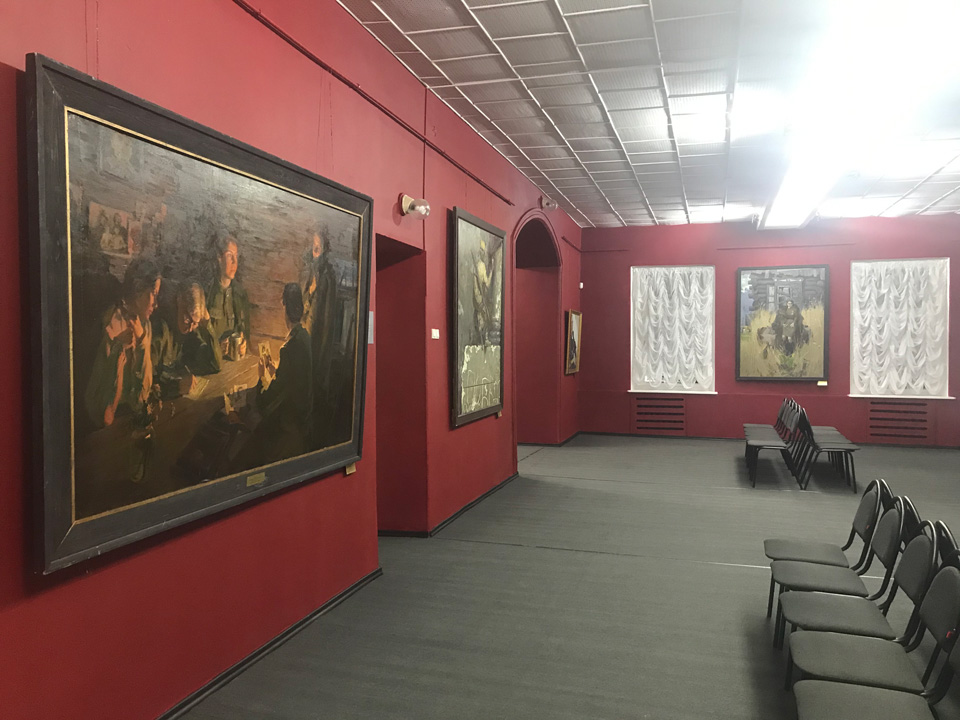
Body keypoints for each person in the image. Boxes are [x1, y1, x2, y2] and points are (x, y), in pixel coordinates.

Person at [84, 258, 162, 428]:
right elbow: (99, 407)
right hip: (103, 425)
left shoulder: (144, 326)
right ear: (138, 289)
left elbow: (141, 397)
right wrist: (118, 349)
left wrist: (142, 344)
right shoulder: (110, 323)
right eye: (154, 294)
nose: (156, 304)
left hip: (130, 420)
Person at [255, 283, 314, 463]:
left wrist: (261, 377)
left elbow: (269, 397)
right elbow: (294, 375)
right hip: (304, 414)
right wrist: (277, 370)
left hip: (291, 423)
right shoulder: (304, 337)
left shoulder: (289, 348)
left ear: (285, 309)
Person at [151, 282, 222, 398]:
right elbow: (149, 385)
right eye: (187, 320)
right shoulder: (160, 331)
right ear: (179, 304)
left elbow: (215, 365)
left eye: (195, 323)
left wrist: (207, 325)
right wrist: (177, 387)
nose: (190, 327)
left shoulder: (190, 331)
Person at [206, 234, 251, 359]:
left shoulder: (240, 294)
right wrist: (215, 349)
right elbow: (197, 339)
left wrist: (244, 344)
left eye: (236, 256)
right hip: (211, 362)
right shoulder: (207, 292)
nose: (235, 262)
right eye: (230, 256)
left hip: (232, 363)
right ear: (219, 258)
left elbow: (244, 330)